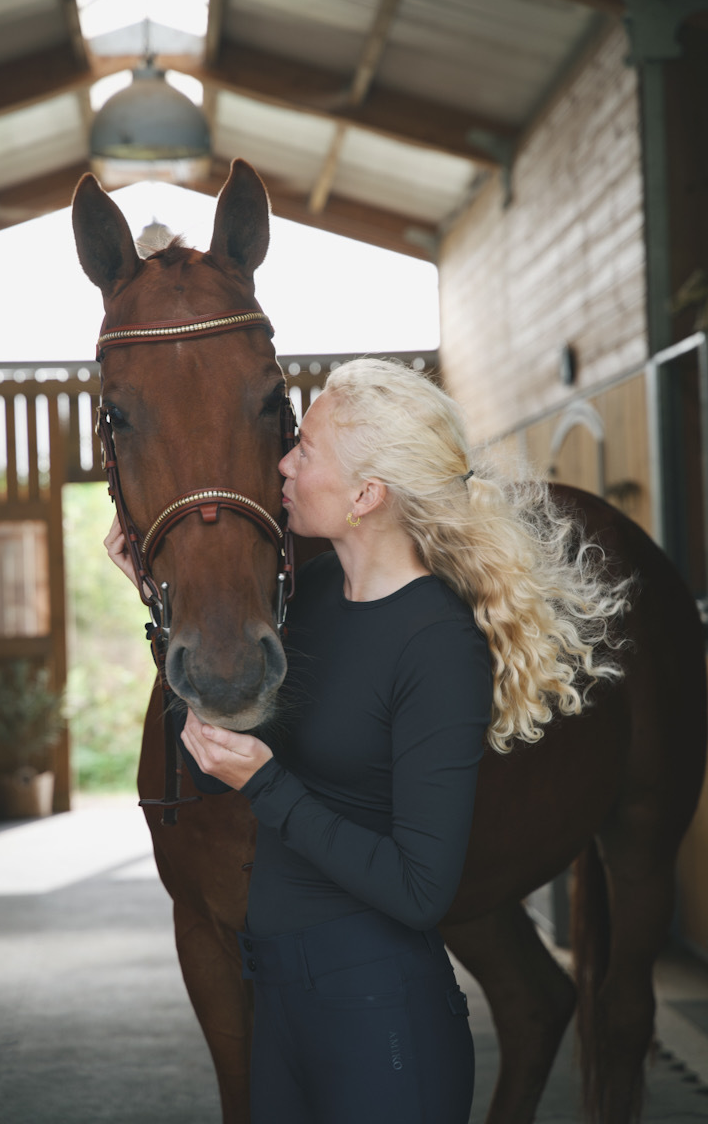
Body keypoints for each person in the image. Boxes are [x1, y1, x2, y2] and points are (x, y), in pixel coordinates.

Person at [105, 357, 627, 1124]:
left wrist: (269, 786)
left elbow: (421, 891)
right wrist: (160, 602)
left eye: (305, 449)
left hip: (381, 1020)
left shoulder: (437, 644)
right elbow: (216, 771)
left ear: (365, 495)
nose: (282, 464)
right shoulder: (312, 600)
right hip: (283, 1009)